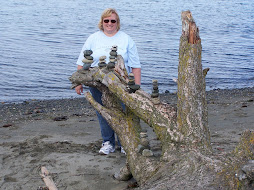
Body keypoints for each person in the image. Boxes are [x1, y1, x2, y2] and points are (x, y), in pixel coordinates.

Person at [75, 8, 141, 155]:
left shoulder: (126, 39)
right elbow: (82, 62)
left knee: (123, 112)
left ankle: (124, 143)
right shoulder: (93, 38)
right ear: (102, 22)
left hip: (121, 82)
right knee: (103, 112)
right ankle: (108, 142)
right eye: (107, 20)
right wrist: (78, 82)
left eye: (113, 21)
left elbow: (136, 65)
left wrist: (136, 87)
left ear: (117, 23)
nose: (109, 23)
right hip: (98, 83)